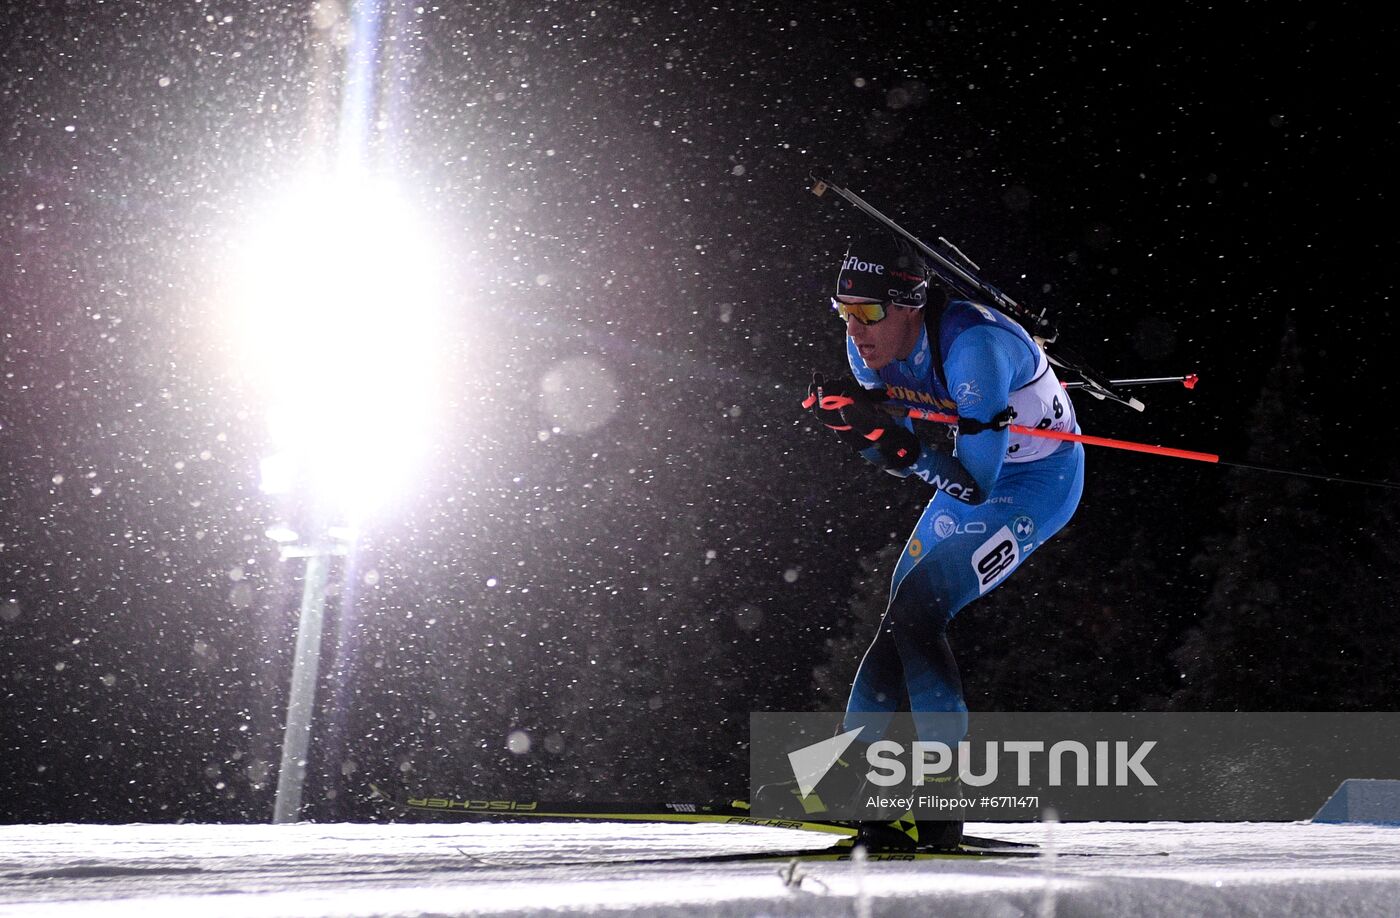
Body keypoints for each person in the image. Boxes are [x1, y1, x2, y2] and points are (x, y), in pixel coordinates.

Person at [802, 234, 1085, 850]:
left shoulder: (974, 350)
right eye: (845, 312)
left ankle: (938, 804)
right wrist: (857, 428)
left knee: (922, 610)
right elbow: (902, 451)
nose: (856, 330)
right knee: (899, 616)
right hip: (972, 465)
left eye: (869, 313)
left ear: (907, 304)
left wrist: (889, 441)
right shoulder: (867, 353)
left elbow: (973, 485)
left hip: (1036, 482)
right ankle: (845, 785)